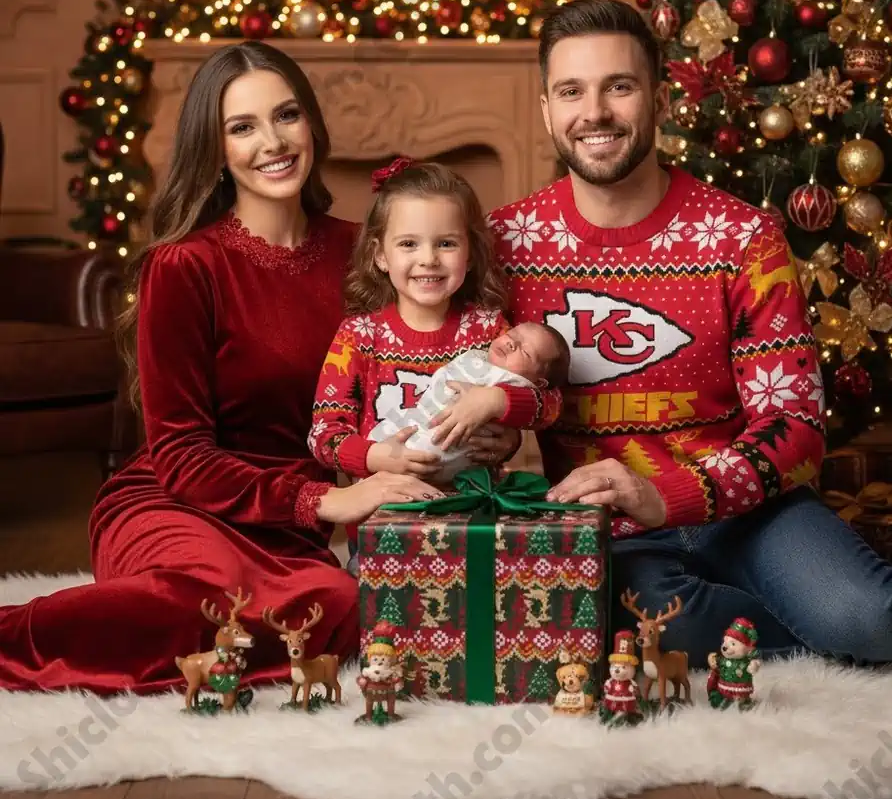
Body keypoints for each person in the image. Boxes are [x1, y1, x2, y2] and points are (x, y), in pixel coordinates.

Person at [487, 0, 892, 668]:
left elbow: (796, 429)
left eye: (619, 86)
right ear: (548, 111)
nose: (596, 112)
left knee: (870, 620)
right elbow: (459, 377)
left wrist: (667, 492)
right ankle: (816, 631)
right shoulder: (505, 245)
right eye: (571, 91)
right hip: (611, 532)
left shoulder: (741, 237)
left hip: (754, 513)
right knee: (650, 632)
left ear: (659, 99)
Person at [0, 42, 469, 694]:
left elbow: (414, 368)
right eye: (242, 127)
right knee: (220, 598)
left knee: (336, 606)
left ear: (311, 123)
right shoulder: (184, 267)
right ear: (215, 148)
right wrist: (331, 498)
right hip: (173, 504)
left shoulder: (368, 252)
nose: (272, 142)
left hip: (287, 534)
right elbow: (183, 459)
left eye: (286, 116)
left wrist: (475, 422)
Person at [308, 158, 562, 489]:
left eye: (446, 243)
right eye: (408, 244)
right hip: (384, 514)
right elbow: (323, 435)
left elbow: (551, 405)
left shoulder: (488, 329)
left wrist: (499, 407)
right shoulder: (358, 337)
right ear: (380, 254)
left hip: (471, 511)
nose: (428, 259)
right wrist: (373, 457)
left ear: (469, 253)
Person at [368, 320, 570, 484]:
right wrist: (366, 457)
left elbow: (550, 403)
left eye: (525, 353)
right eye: (512, 335)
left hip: (445, 449)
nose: (512, 343)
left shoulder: (505, 366)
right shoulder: (363, 332)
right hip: (414, 424)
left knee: (424, 457)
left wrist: (500, 400)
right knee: (383, 443)